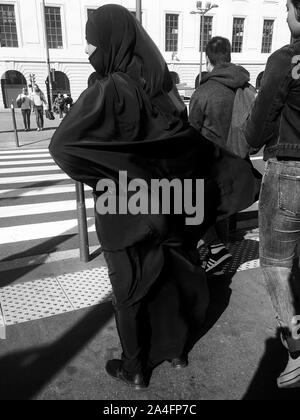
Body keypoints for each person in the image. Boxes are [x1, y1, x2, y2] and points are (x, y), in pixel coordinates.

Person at [49, 5, 258, 390]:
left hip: (124, 207)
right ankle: (176, 351)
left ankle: (135, 367)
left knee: (128, 291)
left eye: (92, 42)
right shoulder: (162, 88)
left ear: (112, 42)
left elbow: (63, 146)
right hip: (171, 204)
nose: (88, 50)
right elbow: (185, 144)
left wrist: (111, 176)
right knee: (171, 278)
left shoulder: (109, 88)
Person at [245, 0, 300, 389]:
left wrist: (249, 138)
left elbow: (258, 126)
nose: (285, 15)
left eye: (289, 7)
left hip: (291, 170)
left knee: (278, 265)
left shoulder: (287, 58)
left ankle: (296, 351)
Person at [189, 37, 254, 275]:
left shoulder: (204, 92)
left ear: (208, 60)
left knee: (205, 208)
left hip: (211, 162)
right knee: (227, 208)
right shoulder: (245, 86)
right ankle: (225, 247)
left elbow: (192, 131)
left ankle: (216, 254)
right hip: (238, 158)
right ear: (229, 55)